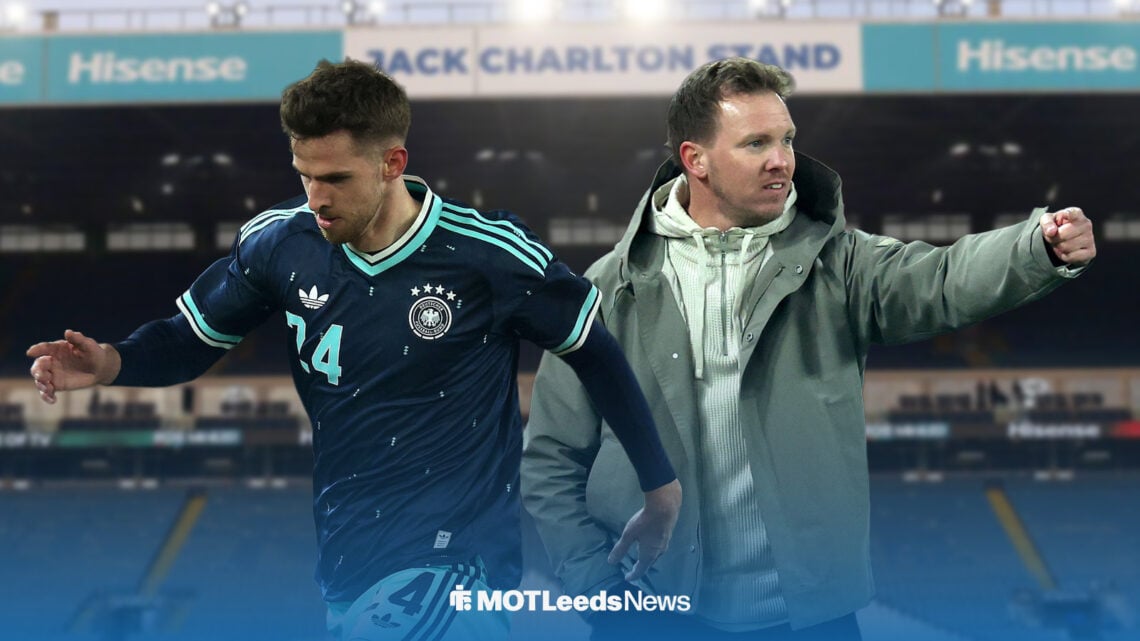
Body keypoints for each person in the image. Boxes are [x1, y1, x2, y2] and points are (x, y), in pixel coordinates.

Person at [27, 59, 681, 641]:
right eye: (305, 174)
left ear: (392, 163)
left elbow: (595, 351)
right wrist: (113, 362)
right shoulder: (280, 242)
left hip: (458, 559)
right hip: (348, 561)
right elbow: (187, 339)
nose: (317, 197)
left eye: (335, 177)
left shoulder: (488, 254)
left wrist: (660, 487)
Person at [520, 57, 1096, 641]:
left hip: (807, 618)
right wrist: (595, 585)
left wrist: (1036, 248)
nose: (782, 160)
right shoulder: (606, 287)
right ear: (696, 161)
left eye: (787, 139)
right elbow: (552, 456)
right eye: (755, 143)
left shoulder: (839, 264)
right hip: (652, 617)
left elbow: (941, 279)